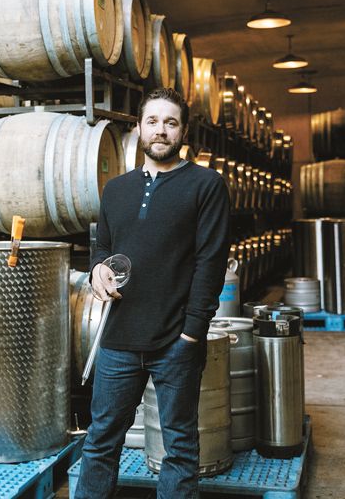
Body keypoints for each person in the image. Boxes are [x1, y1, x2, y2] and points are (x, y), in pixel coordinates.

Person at [74, 87, 230, 498]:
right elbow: (102, 248)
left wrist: (191, 334)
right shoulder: (116, 189)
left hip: (174, 341)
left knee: (179, 448)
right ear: (139, 128)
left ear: (182, 132)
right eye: (153, 121)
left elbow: (210, 262)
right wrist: (97, 271)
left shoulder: (206, 185)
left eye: (171, 122)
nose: (161, 130)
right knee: (100, 441)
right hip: (118, 339)